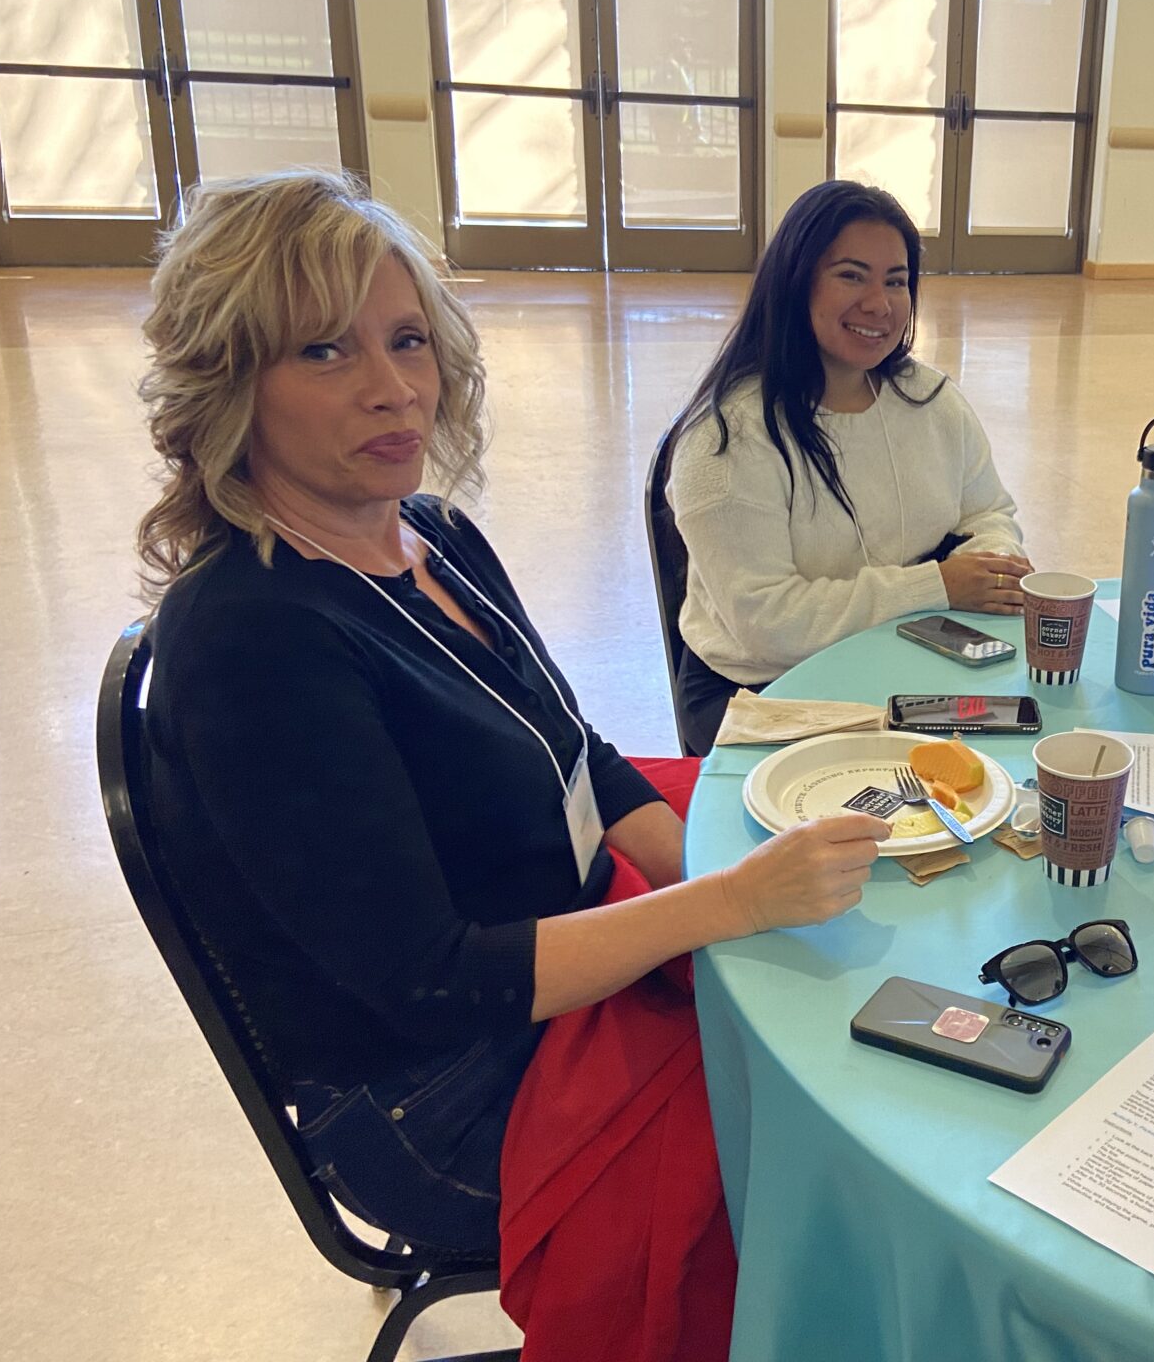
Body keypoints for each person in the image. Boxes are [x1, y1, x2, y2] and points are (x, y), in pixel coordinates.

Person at [136, 169, 888, 1359]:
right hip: (437, 1090)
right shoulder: (252, 637)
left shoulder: (428, 534)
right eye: (324, 353)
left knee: (818, 915)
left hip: (548, 931)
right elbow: (431, 983)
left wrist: (702, 871)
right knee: (815, 1112)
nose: (394, 390)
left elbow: (573, 747)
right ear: (231, 383)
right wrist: (726, 901)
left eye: (407, 340)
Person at [667, 180, 1029, 755]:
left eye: (896, 281)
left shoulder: (929, 399)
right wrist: (938, 586)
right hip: (765, 692)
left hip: (912, 650)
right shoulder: (727, 439)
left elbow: (989, 510)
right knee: (887, 799)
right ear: (796, 282)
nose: (879, 305)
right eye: (851, 276)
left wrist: (983, 565)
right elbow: (766, 621)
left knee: (1023, 735)